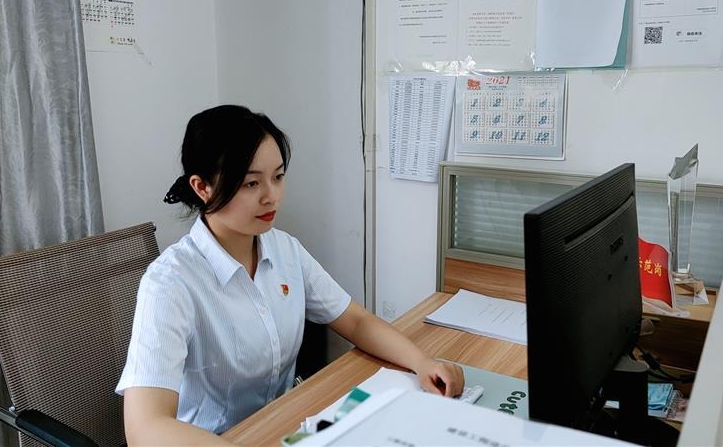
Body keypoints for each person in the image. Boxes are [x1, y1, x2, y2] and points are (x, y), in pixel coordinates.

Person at [117, 105, 464, 445]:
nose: (272, 197)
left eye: (278, 177)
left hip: (285, 427)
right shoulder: (170, 283)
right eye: (251, 183)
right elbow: (145, 429)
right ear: (202, 187)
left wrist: (422, 362)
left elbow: (355, 321)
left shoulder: (284, 249)